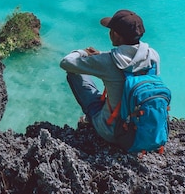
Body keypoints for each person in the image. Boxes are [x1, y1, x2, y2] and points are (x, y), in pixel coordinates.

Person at [59, 9, 161, 144]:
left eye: (111, 30)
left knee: (74, 73)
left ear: (116, 35)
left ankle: (90, 120)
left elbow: (66, 62)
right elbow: (130, 60)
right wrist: (100, 54)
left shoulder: (108, 61)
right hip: (145, 130)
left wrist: (82, 52)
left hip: (112, 132)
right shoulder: (153, 55)